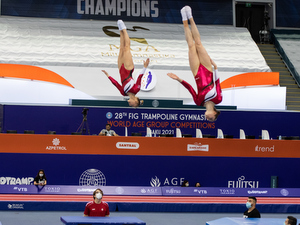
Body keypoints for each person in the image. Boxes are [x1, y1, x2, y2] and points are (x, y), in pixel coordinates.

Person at [167, 6, 222, 122]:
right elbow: (217, 83)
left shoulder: (198, 102)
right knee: (198, 43)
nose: (208, 118)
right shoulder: (218, 99)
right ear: (215, 114)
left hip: (196, 72)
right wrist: (215, 67)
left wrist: (178, 79)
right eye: (211, 119)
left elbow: (191, 89)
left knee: (191, 46)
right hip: (208, 69)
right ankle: (191, 17)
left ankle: (184, 20)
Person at [102, 20, 150, 108]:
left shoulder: (123, 93)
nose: (130, 105)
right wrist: (145, 67)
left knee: (121, 48)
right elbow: (140, 77)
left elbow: (116, 84)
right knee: (126, 48)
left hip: (121, 69)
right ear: (135, 101)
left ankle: (120, 30)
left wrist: (108, 75)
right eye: (132, 105)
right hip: (128, 69)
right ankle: (124, 29)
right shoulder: (136, 89)